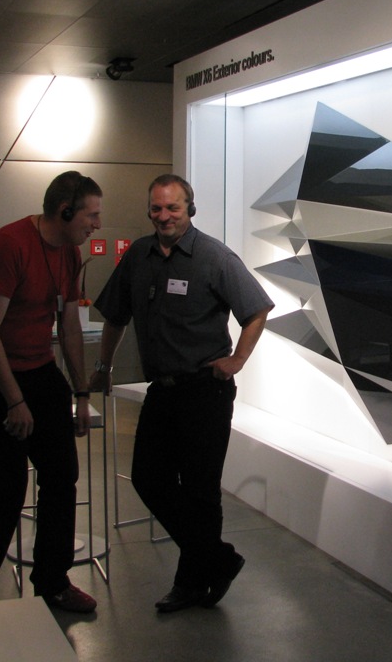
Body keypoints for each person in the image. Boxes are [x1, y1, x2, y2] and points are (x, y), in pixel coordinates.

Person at [90, 173, 273, 613]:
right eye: (156, 208)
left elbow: (257, 308)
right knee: (148, 478)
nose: (164, 216)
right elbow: (115, 316)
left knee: (200, 490)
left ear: (190, 208)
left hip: (205, 391)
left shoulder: (214, 257)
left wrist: (237, 360)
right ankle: (218, 560)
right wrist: (103, 366)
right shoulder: (138, 255)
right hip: (163, 390)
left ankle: (192, 583)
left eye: (172, 207)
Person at [0, 171, 102, 613]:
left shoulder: (70, 252)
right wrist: (15, 401)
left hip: (39, 368)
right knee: (8, 484)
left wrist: (81, 393)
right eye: (91, 215)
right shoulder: (9, 244)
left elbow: (69, 327)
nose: (97, 224)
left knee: (61, 476)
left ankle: (53, 582)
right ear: (65, 212)